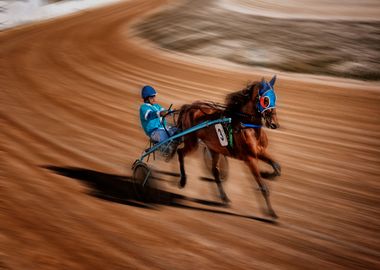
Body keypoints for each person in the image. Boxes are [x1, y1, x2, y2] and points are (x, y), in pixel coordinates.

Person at [139, 85, 179, 157]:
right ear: (146, 99)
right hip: (154, 132)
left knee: (178, 130)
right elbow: (150, 115)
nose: (154, 99)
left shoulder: (157, 106)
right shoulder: (143, 108)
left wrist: (173, 111)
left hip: (164, 128)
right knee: (164, 136)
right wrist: (160, 113)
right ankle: (163, 149)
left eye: (154, 96)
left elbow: (165, 111)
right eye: (152, 97)